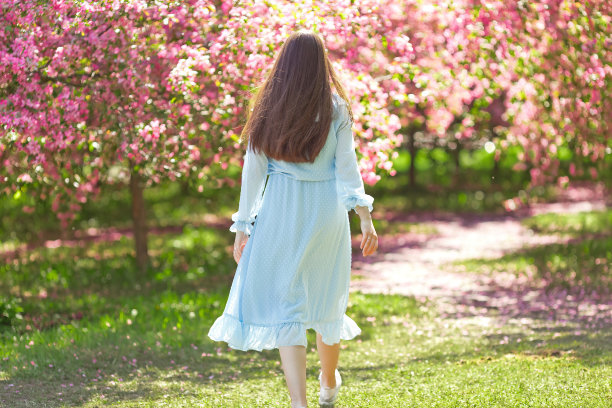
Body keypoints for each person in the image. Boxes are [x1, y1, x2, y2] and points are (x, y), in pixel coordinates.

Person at [207, 29, 379, 408]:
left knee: (289, 304)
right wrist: (364, 217)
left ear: (283, 63)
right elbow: (347, 168)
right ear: (321, 64)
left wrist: (242, 226)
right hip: (326, 212)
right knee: (326, 299)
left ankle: (300, 403)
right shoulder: (336, 107)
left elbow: (253, 173)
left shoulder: (268, 108)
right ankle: (328, 381)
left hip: (280, 212)